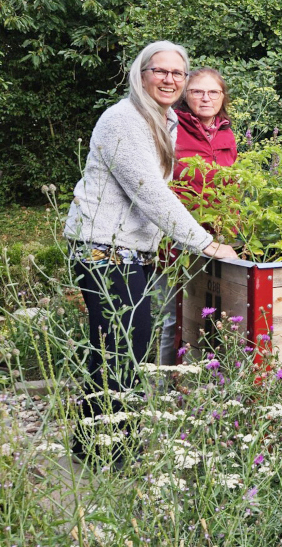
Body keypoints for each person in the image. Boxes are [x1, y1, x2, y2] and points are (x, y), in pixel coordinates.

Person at [64, 41, 238, 455]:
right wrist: (205, 243)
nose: (169, 79)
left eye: (178, 73)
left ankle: (91, 444)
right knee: (125, 344)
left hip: (128, 251)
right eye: (160, 70)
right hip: (103, 247)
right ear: (141, 75)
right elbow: (150, 193)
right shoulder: (124, 119)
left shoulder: (163, 120)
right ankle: (114, 451)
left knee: (115, 346)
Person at [154, 67, 238, 365]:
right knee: (173, 317)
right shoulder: (171, 128)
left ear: (223, 96)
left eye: (213, 92)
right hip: (176, 239)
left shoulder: (226, 132)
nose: (206, 98)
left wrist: (233, 229)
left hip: (217, 240)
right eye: (197, 91)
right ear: (185, 96)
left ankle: (202, 379)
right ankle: (164, 383)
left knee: (208, 315)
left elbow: (232, 187)